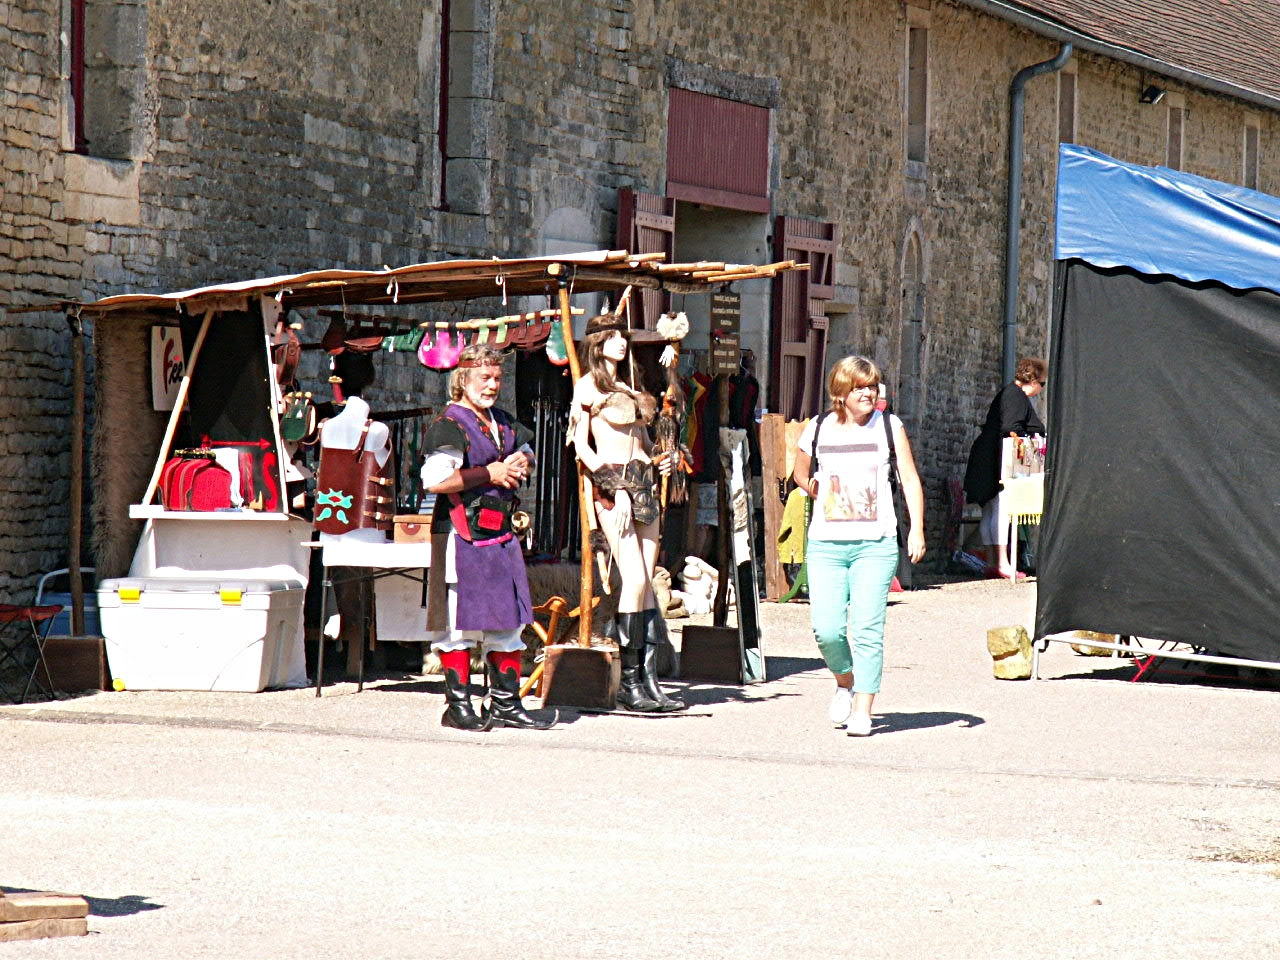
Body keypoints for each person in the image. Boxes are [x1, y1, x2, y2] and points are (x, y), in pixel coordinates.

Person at [792, 356, 926, 737]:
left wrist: (916, 529)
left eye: (872, 386)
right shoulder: (817, 428)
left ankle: (864, 709)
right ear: (841, 392)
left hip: (876, 543)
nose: (868, 393)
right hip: (826, 544)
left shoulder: (889, 426)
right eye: (860, 387)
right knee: (827, 629)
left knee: (867, 628)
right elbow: (800, 473)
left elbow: (910, 480)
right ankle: (845, 681)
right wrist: (820, 492)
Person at [420, 344, 552, 731]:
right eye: (485, 378)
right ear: (463, 380)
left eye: (497, 378)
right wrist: (489, 473)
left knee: (508, 622)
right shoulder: (450, 424)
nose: (493, 385)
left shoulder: (503, 422)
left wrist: (520, 461)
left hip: (501, 534)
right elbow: (436, 480)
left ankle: (507, 705)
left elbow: (525, 451)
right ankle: (458, 708)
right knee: (457, 625)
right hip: (461, 533)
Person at [569, 312, 681, 712]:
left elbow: (645, 440)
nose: (621, 342)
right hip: (614, 488)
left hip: (644, 484)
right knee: (631, 578)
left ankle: (650, 681)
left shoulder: (629, 385)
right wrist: (612, 491)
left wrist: (660, 458)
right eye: (612, 336)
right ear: (596, 343)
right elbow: (582, 447)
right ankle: (629, 683)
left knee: (647, 582)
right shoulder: (587, 387)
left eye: (623, 336)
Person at [962, 357, 1047, 580]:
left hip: (988, 455)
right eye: (1042, 384)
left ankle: (993, 561)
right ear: (1034, 380)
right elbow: (1011, 428)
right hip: (998, 458)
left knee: (992, 509)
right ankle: (1002, 562)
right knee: (1002, 508)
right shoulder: (1016, 396)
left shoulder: (1010, 393)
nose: (1041, 389)